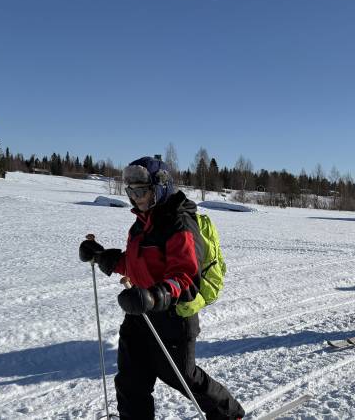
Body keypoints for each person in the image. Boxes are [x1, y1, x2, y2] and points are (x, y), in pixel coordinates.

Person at [79, 156, 245, 420]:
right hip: (140, 316)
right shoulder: (140, 224)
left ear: (159, 187)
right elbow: (135, 264)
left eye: (142, 190)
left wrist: (155, 296)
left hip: (172, 318)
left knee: (184, 378)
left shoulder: (179, 223)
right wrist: (101, 256)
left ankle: (229, 414)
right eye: (131, 191)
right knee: (130, 383)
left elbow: (186, 277)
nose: (136, 197)